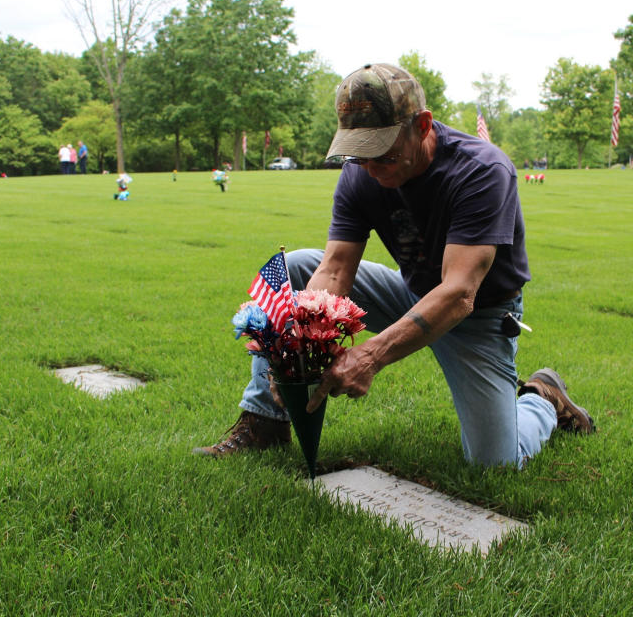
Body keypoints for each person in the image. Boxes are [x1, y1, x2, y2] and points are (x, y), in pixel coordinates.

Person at [194, 63, 595, 467]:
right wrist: (302, 351)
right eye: (359, 153)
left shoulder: (481, 171)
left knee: (496, 462)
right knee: (295, 267)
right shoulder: (361, 172)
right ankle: (266, 421)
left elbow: (459, 294)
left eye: (383, 153)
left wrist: (370, 356)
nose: (370, 168)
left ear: (422, 125)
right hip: (410, 292)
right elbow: (334, 270)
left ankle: (541, 398)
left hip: (479, 316)